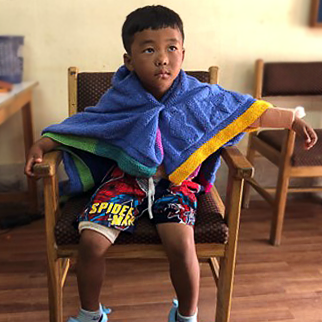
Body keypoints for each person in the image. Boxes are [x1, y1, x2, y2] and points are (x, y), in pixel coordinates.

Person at [24, 5, 318, 322]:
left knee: (181, 243)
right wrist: (43, 143)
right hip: (126, 182)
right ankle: (90, 313)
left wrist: (291, 120)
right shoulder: (120, 96)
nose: (162, 58)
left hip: (177, 186)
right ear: (129, 60)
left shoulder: (201, 95)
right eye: (149, 49)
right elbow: (87, 125)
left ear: (182, 51)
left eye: (171, 48)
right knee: (91, 241)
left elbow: (245, 110)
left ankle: (186, 314)